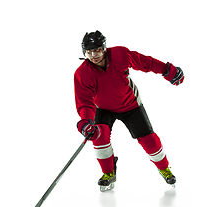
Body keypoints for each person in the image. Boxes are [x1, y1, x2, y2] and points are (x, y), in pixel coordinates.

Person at [74, 31, 184, 191]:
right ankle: (108, 172)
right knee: (99, 138)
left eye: (97, 50)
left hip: (130, 105)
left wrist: (167, 70)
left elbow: (146, 63)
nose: (93, 55)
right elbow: (85, 101)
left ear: (104, 48)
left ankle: (164, 168)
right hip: (103, 108)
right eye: (89, 52)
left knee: (149, 141)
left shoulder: (120, 54)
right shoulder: (82, 73)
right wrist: (86, 121)